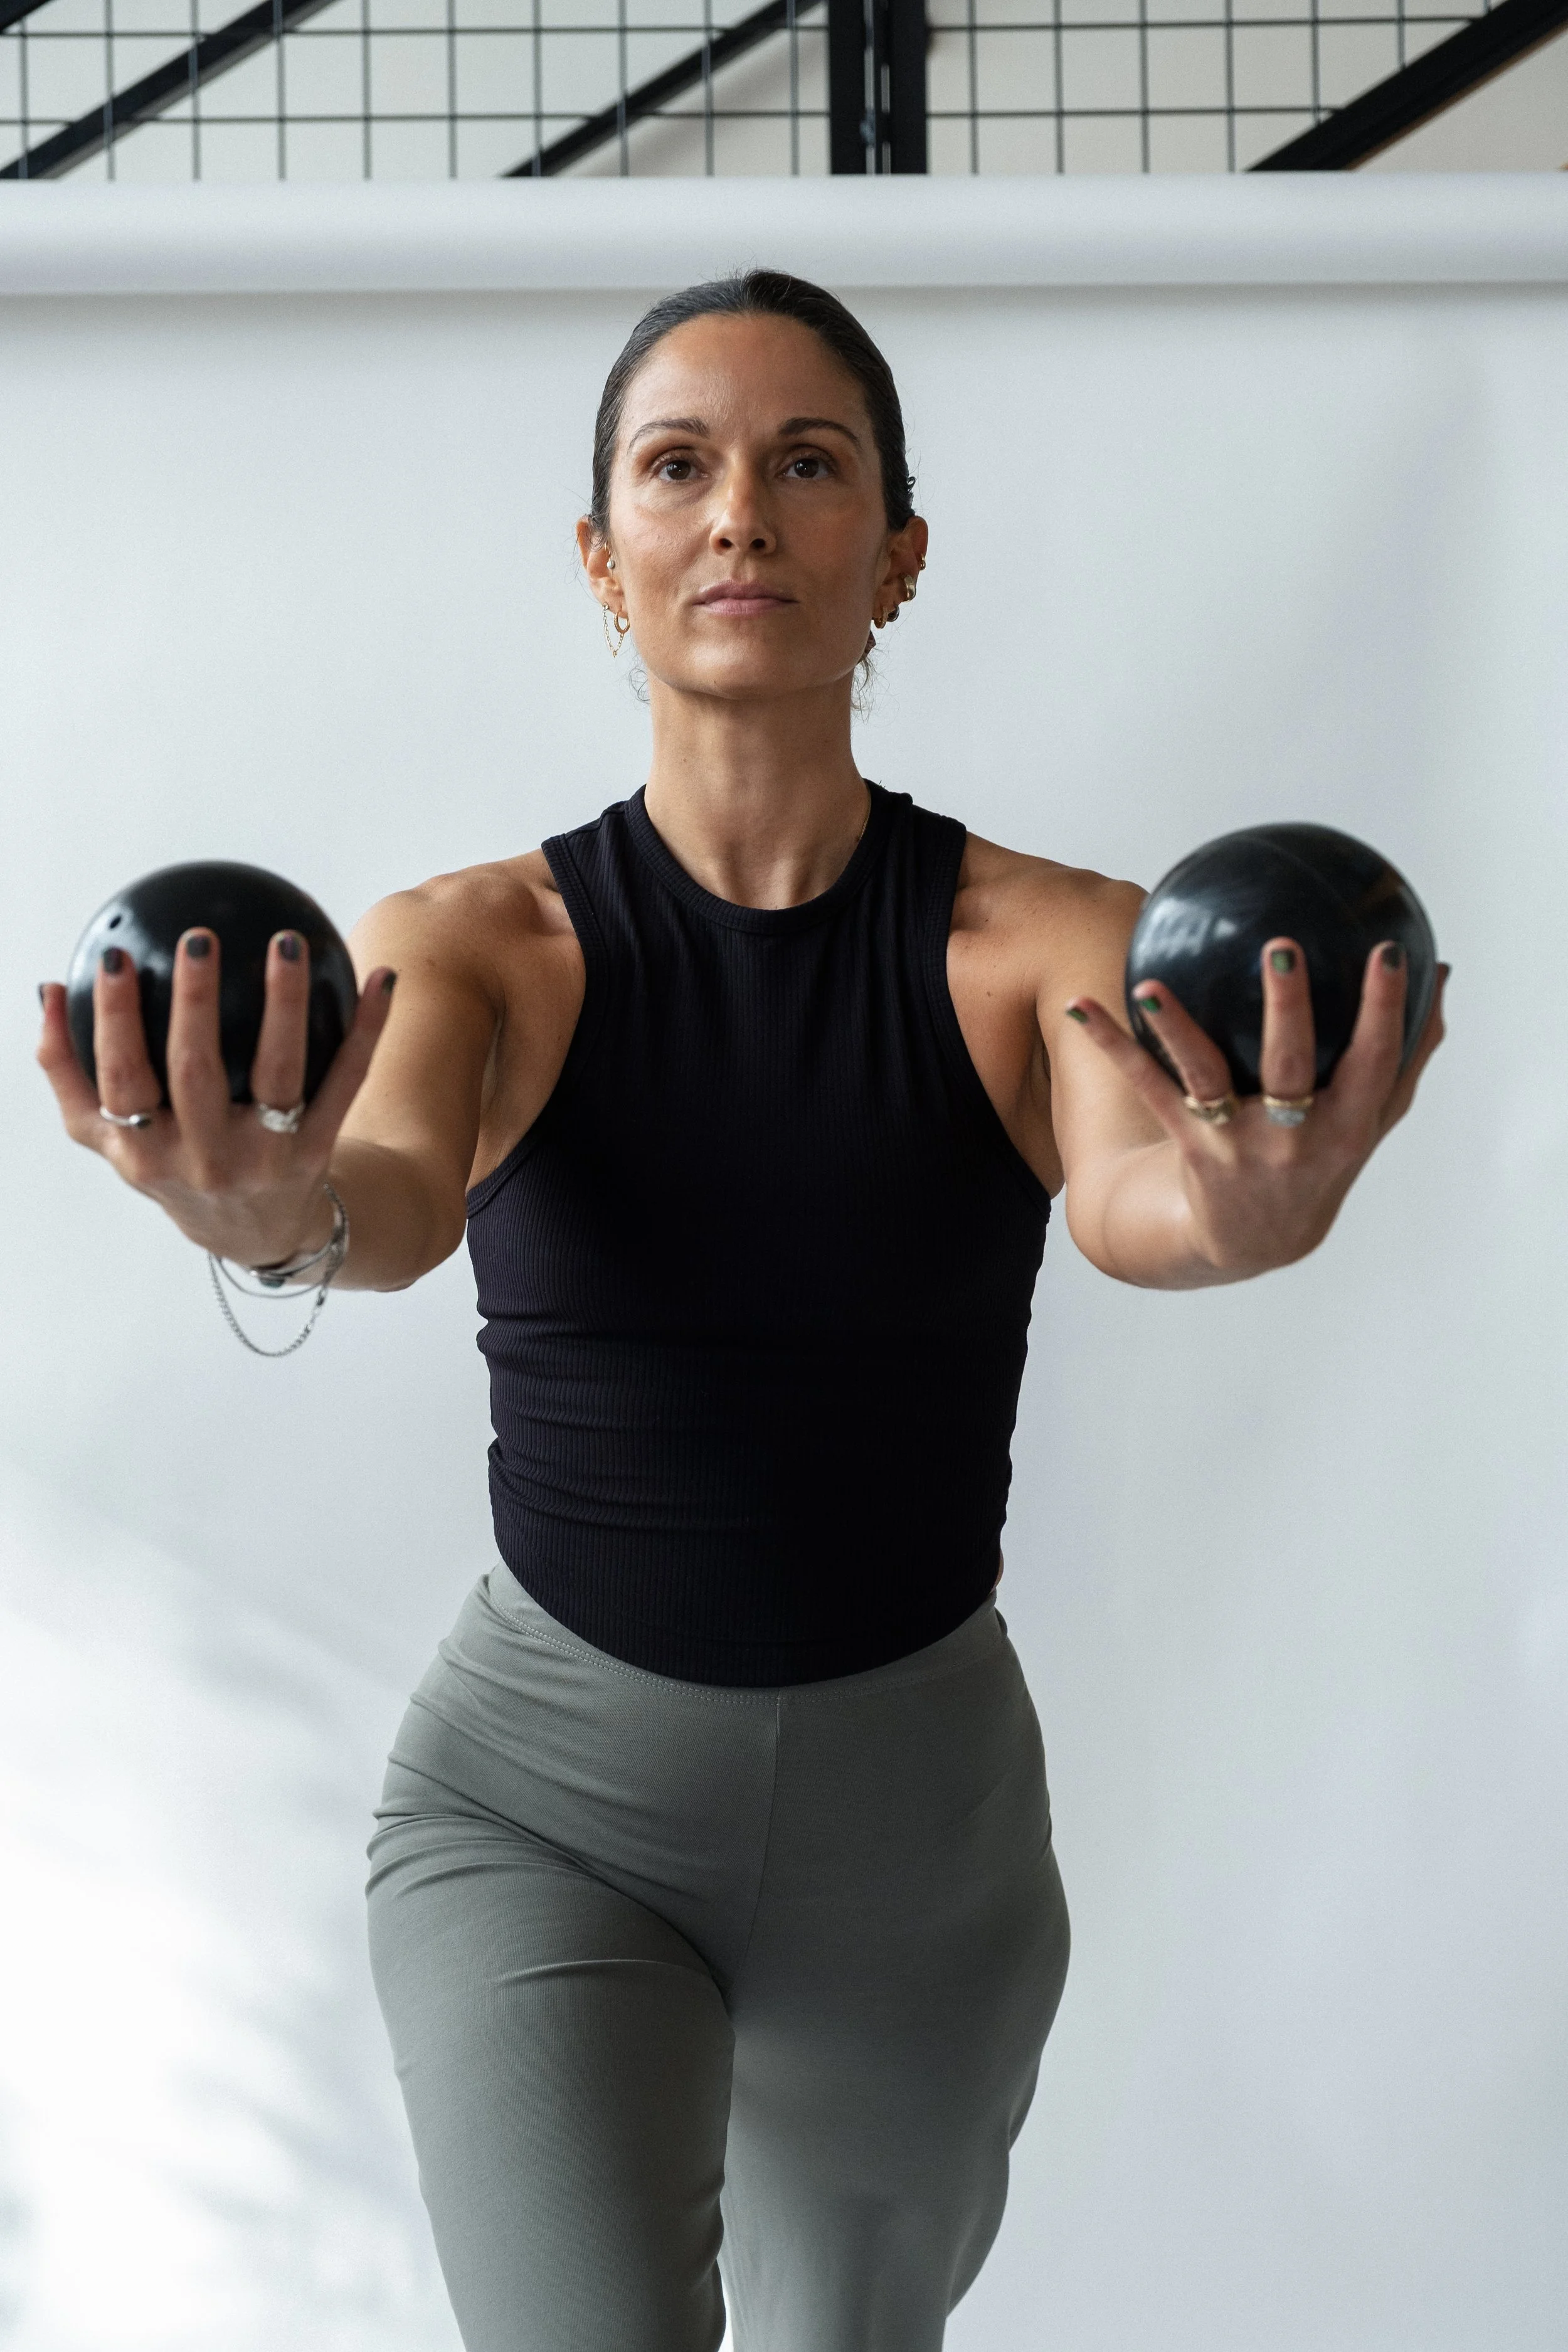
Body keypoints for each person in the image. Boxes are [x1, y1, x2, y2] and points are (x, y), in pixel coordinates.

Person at [36, 270, 1446, 2352]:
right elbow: (392, 1196)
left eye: (807, 465)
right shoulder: (482, 943)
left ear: (895, 554)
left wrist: (1260, 1207)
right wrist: (268, 1212)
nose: (739, 516)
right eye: (676, 467)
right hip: (540, 1802)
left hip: (919, 1834)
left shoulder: (1033, 939)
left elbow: (1147, 1191)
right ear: (602, 560)